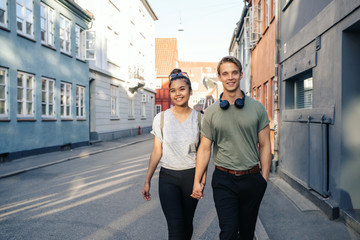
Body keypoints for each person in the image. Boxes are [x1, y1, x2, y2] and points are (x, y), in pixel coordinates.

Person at [191, 56, 271, 240]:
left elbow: (265, 145)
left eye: (234, 72)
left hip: (252, 179)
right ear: (219, 77)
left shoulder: (257, 108)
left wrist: (263, 180)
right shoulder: (211, 112)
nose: (230, 77)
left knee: (247, 233)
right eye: (225, 73)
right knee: (228, 233)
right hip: (223, 180)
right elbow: (204, 148)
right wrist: (197, 180)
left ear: (241, 74)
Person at [142, 69, 206, 240]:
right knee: (175, 228)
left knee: (186, 223)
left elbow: (204, 151)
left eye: (182, 89)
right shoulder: (161, 119)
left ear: (190, 91)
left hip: (191, 176)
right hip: (168, 178)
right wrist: (147, 180)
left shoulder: (199, 119)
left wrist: (201, 180)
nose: (178, 94)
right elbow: (157, 151)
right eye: (173, 90)